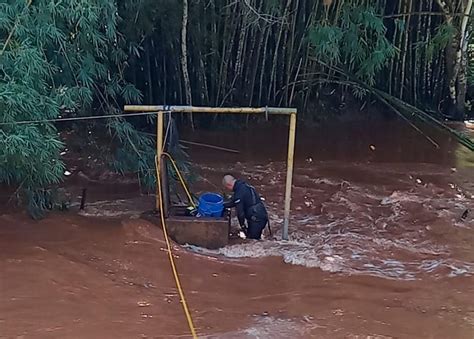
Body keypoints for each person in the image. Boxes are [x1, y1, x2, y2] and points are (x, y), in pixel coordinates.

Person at [222, 174, 268, 240]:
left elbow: (240, 213)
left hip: (256, 219)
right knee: (254, 239)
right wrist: (223, 205)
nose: (228, 190)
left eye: (227, 188)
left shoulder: (239, 192)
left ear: (229, 185)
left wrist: (243, 226)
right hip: (260, 214)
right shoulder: (243, 184)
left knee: (252, 241)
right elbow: (234, 201)